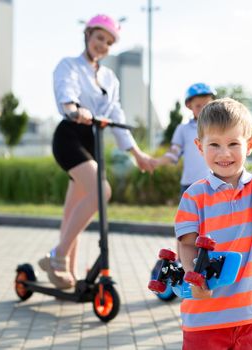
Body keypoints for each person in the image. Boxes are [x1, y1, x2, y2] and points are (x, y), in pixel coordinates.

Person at [39, 14, 155, 289]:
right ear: (88, 35)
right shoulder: (69, 65)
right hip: (69, 136)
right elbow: (65, 91)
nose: (102, 45)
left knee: (73, 213)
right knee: (102, 192)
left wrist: (136, 153)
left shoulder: (109, 78)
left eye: (109, 42)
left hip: (92, 140)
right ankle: (58, 256)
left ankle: (65, 273)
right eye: (99, 37)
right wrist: (72, 109)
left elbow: (116, 113)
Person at [175, 98, 252, 349]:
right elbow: (186, 245)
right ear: (199, 146)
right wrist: (192, 276)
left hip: (249, 314)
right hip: (204, 315)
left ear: (249, 145)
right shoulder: (194, 196)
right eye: (214, 144)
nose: (224, 153)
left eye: (233, 144)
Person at [154, 83, 215, 195]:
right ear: (189, 105)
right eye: (198, 106)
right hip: (189, 185)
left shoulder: (219, 128)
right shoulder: (182, 129)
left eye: (206, 105)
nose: (203, 109)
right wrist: (155, 162)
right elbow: (174, 153)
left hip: (214, 184)